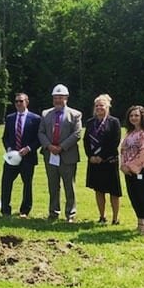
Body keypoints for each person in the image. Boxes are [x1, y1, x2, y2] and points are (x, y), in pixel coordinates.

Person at [38, 84, 82, 222]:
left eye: (60, 97)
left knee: (69, 186)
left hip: (67, 156)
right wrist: (49, 146)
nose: (57, 100)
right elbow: (41, 132)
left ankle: (70, 214)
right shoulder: (46, 114)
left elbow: (77, 134)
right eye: (55, 97)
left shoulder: (75, 114)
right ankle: (53, 212)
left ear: (66, 98)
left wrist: (61, 147)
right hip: (50, 155)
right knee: (53, 185)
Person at [120, 105, 144, 237]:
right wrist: (123, 166)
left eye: (136, 115)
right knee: (134, 197)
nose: (134, 118)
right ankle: (140, 223)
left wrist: (132, 167)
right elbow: (123, 151)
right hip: (128, 171)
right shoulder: (129, 133)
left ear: (142, 116)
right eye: (131, 116)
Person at [0, 93, 41, 218]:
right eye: (16, 101)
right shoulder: (10, 118)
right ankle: (5, 210)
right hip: (12, 157)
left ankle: (24, 210)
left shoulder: (35, 119)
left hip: (28, 158)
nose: (18, 103)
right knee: (6, 183)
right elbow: (5, 137)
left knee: (27, 184)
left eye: (21, 101)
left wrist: (29, 148)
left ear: (27, 102)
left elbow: (39, 139)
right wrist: (9, 148)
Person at [84, 94, 122, 225]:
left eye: (102, 105)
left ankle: (115, 218)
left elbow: (115, 141)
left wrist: (102, 157)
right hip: (94, 162)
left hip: (109, 162)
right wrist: (91, 156)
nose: (99, 108)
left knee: (114, 191)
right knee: (98, 190)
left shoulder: (114, 122)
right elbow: (85, 141)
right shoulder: (90, 123)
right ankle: (102, 216)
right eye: (97, 105)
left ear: (108, 107)